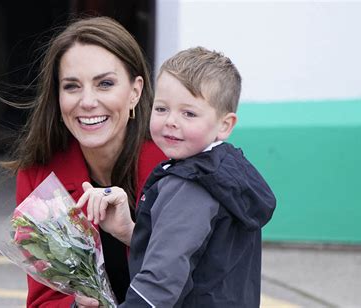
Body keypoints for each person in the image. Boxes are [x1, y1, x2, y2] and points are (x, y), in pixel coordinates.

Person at [76, 47, 277, 307]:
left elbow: (160, 282)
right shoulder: (226, 172)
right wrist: (129, 231)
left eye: (189, 113)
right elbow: (189, 252)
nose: (171, 121)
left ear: (225, 125)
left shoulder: (192, 185)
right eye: (161, 109)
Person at [2, 16, 166, 307]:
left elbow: (203, 279)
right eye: (72, 86)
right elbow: (44, 301)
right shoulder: (38, 178)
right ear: (57, 96)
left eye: (104, 84)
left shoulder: (174, 168)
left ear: (135, 92)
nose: (87, 101)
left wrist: (132, 236)